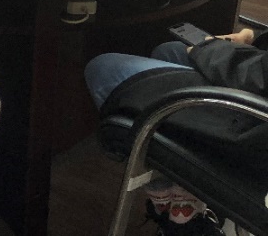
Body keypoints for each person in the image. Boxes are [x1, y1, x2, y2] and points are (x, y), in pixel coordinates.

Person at [85, 28, 267, 235]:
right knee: (169, 51)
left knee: (102, 68)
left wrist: (211, 48)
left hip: (255, 131)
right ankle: (183, 204)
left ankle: (183, 224)